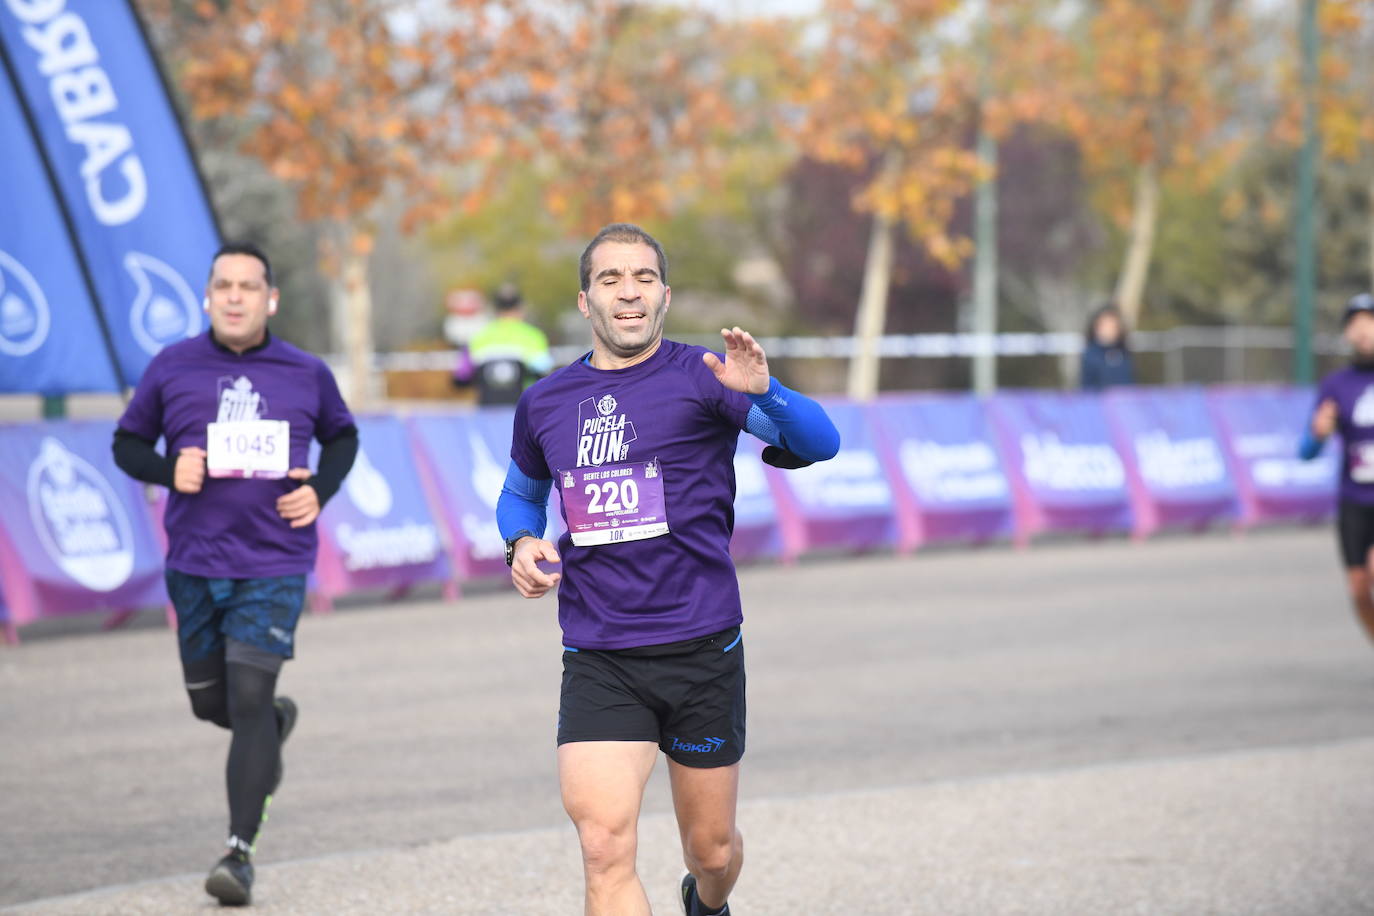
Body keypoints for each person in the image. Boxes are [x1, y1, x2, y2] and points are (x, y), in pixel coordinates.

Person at [496, 223, 840, 916]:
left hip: (701, 646)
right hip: (600, 651)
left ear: (665, 296)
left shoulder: (707, 378)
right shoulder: (546, 402)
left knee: (711, 852)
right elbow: (520, 495)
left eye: (643, 278)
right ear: (586, 299)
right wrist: (520, 543)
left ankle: (708, 903)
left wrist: (767, 393)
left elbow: (821, 442)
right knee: (602, 845)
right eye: (611, 279)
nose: (629, 292)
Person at [111, 241, 358, 906]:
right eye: (224, 285)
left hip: (274, 562)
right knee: (211, 704)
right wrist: (169, 471)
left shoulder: (305, 372)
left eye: (249, 286)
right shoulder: (173, 366)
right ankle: (271, 726)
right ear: (208, 296)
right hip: (194, 561)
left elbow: (343, 437)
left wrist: (320, 491)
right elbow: (126, 442)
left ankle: (238, 854)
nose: (236, 296)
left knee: (247, 698)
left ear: (270, 299)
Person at [1301, 292, 1374, 648]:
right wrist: (1318, 433)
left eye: (1370, 323)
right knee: (1359, 590)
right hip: (1354, 500)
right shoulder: (1336, 386)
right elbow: (1306, 452)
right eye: (1355, 325)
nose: (1363, 332)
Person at [468, 282, 554, 406]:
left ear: (495, 309)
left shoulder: (478, 337)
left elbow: (462, 376)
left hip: (486, 411)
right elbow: (546, 373)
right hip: (524, 411)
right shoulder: (533, 336)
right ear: (521, 308)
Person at [1079, 302, 1135, 391]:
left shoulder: (1124, 352)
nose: (1109, 329)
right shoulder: (1090, 355)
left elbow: (1129, 383)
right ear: (1096, 327)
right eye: (1105, 325)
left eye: (1112, 326)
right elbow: (1087, 388)